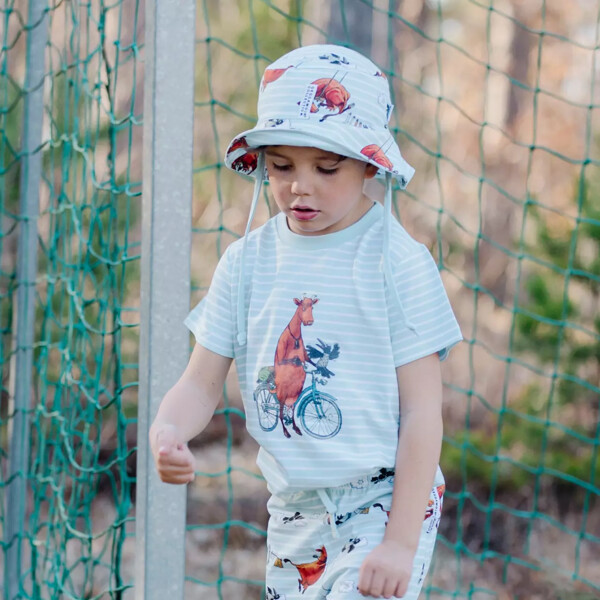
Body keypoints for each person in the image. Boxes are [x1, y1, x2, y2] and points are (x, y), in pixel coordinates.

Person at [149, 44, 462, 600]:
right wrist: (168, 431)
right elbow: (199, 383)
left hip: (384, 500)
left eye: (326, 167)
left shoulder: (397, 261)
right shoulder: (245, 263)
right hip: (294, 507)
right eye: (281, 166)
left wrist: (398, 542)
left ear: (369, 164)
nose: (301, 185)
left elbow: (422, 413)